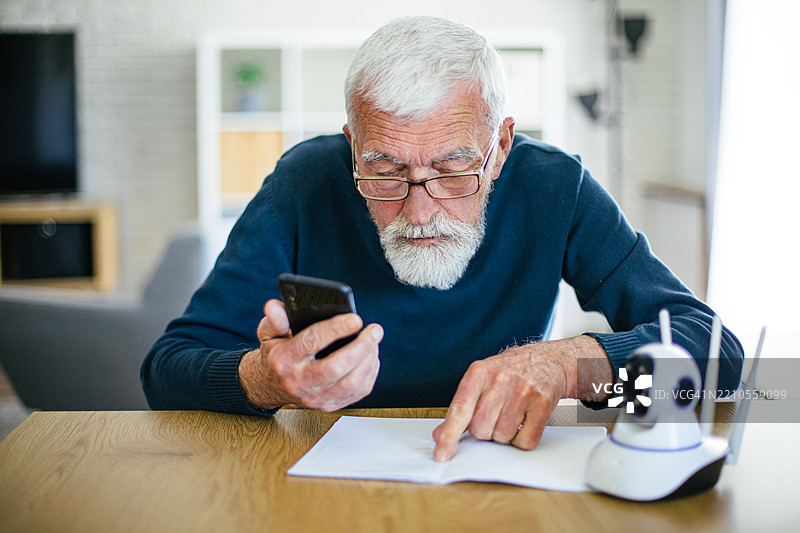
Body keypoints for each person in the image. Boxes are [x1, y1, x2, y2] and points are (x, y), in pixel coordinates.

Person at [141, 16, 743, 462]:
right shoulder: (303, 182)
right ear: (353, 144)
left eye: (455, 171)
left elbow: (722, 355)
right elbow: (164, 371)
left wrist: (573, 365)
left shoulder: (555, 187)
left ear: (501, 146)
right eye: (384, 171)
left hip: (502, 480)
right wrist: (265, 378)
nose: (421, 211)